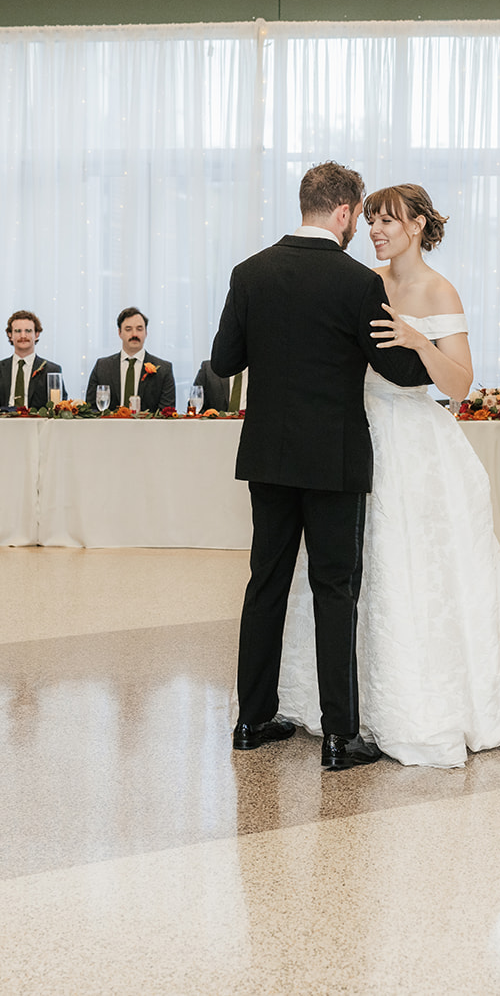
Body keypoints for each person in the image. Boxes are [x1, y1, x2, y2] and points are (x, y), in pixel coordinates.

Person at [269, 182, 500, 769]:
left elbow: (459, 383)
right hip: (353, 434)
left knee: (419, 569)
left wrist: (418, 342)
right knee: (351, 570)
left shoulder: (438, 289)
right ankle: (339, 705)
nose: (375, 230)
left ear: (417, 226)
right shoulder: (364, 283)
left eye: (387, 221)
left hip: (413, 438)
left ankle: (428, 700)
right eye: (372, 220)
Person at [213, 162, 431, 771]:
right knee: (335, 591)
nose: (359, 226)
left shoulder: (249, 272)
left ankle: (251, 721)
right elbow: (394, 368)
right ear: (343, 213)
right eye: (359, 215)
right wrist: (429, 352)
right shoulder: (357, 283)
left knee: (266, 585)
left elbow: (224, 361)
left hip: (268, 458)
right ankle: (340, 736)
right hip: (334, 460)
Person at [85, 308, 176, 412]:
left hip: (149, 428)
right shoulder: (102, 367)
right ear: (119, 333)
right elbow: (90, 409)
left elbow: (166, 413)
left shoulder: (163, 370)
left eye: (139, 329)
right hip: (110, 427)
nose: (134, 334)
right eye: (128, 329)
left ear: (146, 333)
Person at [0, 310, 67, 410]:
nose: (23, 336)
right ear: (10, 335)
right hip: (3, 423)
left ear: (37, 334)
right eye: (18, 331)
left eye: (28, 331)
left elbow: (60, 407)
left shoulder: (51, 370)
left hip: (37, 424)